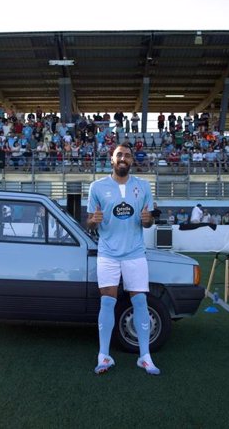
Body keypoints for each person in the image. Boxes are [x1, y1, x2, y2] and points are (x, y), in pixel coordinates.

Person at [86, 143, 159, 375]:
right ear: (112, 159)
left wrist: (148, 220)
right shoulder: (97, 187)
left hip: (135, 253)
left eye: (127, 155)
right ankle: (104, 356)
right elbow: (89, 221)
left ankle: (145, 357)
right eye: (119, 155)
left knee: (140, 302)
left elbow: (147, 222)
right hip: (107, 253)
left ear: (131, 161)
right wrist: (93, 220)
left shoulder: (143, 186)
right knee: (107, 302)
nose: (123, 158)